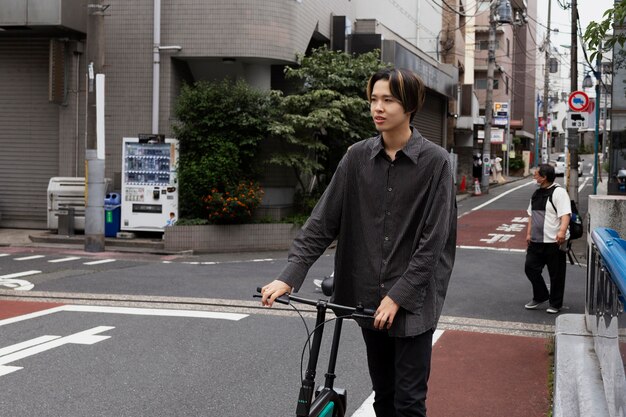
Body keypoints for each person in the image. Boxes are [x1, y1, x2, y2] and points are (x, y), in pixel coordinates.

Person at [261, 68, 457, 417]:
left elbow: (433, 243)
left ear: (409, 106)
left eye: (388, 100)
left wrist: (398, 296)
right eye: (373, 100)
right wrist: (289, 276)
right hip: (368, 297)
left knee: (409, 402)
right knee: (384, 394)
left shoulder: (436, 163)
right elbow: (322, 222)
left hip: (413, 302)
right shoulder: (356, 157)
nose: (377, 108)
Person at [524, 164, 571, 314]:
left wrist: (562, 231)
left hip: (554, 241)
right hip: (536, 241)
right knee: (530, 267)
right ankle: (541, 295)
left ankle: (555, 303)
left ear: (544, 177)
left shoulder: (559, 192)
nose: (534, 177)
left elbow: (565, 214)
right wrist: (528, 233)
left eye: (536, 175)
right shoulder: (536, 194)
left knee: (556, 274)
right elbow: (531, 216)